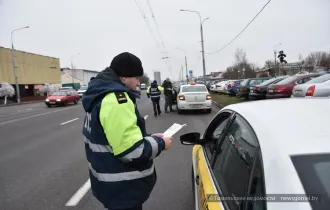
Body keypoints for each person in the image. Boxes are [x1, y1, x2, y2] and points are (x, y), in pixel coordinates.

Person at [82, 52, 172, 210]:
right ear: (123, 77)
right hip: (123, 188)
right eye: (136, 78)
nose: (139, 83)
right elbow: (132, 151)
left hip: (110, 183)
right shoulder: (117, 99)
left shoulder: (100, 95)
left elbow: (115, 138)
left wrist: (148, 137)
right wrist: (160, 143)